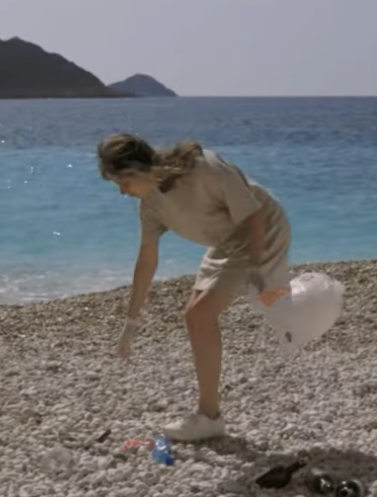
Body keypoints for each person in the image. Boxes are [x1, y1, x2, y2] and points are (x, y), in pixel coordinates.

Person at [96, 132, 293, 442]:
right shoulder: (151, 204)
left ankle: (208, 417)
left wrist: (257, 269)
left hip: (261, 229)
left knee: (200, 316)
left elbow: (254, 214)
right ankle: (209, 416)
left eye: (123, 182)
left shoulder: (205, 168)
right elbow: (147, 259)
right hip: (226, 242)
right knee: (195, 316)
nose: (123, 192)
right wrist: (130, 323)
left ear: (137, 169)